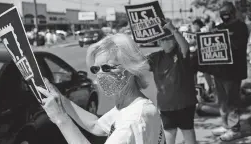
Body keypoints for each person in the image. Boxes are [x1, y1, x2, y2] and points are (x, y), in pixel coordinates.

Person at [37, 33, 165, 144]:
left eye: (107, 67)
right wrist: (61, 99)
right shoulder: (129, 106)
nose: (100, 74)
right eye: (95, 69)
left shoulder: (132, 120)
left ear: (130, 68)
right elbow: (96, 126)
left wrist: (60, 119)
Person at [147, 20, 197, 144]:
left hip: (185, 103)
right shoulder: (155, 57)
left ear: (174, 40)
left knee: (188, 132)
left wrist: (173, 29)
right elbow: (138, 65)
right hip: (166, 105)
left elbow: (184, 46)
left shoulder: (180, 53)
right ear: (159, 42)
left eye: (168, 39)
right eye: (162, 40)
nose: (165, 42)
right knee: (169, 134)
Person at [209, 2, 249, 141]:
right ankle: (226, 126)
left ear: (233, 12)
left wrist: (222, 37)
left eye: (226, 12)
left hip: (233, 71)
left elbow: (238, 46)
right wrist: (211, 33)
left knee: (232, 101)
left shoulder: (241, 27)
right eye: (222, 13)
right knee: (222, 101)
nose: (224, 15)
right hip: (219, 70)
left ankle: (235, 129)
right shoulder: (218, 27)